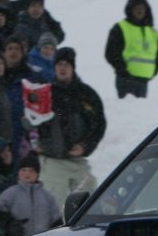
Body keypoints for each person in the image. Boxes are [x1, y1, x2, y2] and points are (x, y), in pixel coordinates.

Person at [36, 47, 106, 203]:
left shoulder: (86, 94)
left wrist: (85, 145)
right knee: (54, 209)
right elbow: (31, 122)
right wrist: (36, 143)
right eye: (59, 64)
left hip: (78, 161)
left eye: (66, 64)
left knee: (89, 205)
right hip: (51, 160)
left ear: (73, 67)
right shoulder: (44, 93)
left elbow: (98, 125)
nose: (62, 68)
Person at [104, 0, 158, 99]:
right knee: (128, 109)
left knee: (139, 109)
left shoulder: (152, 32)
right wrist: (123, 71)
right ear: (130, 9)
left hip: (144, 81)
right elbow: (111, 53)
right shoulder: (120, 28)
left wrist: (154, 71)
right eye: (136, 7)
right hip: (125, 81)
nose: (139, 10)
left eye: (142, 7)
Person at [0, 155, 61, 236]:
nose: (27, 173)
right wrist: (10, 224)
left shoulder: (47, 196)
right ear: (18, 173)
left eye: (31, 170)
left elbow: (56, 221)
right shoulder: (10, 193)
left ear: (37, 174)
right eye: (23, 170)